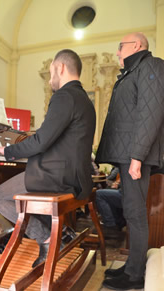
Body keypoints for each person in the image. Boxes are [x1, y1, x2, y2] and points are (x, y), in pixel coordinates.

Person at [0, 49, 96, 268]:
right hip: (77, 177)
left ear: (61, 68)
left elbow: (41, 142)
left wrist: (7, 150)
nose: (50, 80)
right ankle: (63, 232)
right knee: (22, 187)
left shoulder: (65, 96)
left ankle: (45, 239)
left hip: (59, 177)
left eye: (51, 73)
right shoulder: (84, 100)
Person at [95, 32, 164, 290]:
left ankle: (135, 275)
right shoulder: (134, 70)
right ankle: (132, 267)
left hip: (136, 156)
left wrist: (136, 157)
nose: (117, 52)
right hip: (128, 156)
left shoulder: (151, 66)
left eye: (120, 47)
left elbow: (150, 114)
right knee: (131, 212)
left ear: (136, 45)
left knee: (135, 214)